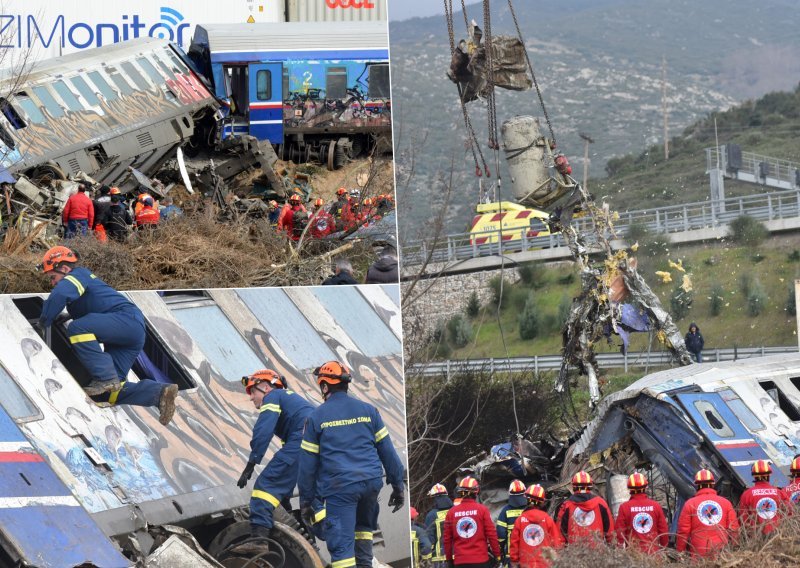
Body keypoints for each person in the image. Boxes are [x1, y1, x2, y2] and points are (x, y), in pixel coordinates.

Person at [36, 246, 178, 424]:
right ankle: (160, 393)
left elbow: (61, 293)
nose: (52, 283)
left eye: (53, 277)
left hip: (126, 321)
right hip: (130, 331)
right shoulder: (81, 283)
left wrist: (43, 322)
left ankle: (105, 377)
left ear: (64, 269)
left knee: (78, 329)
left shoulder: (77, 275)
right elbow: (97, 303)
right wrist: (69, 314)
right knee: (112, 391)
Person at [298, 361, 405, 568]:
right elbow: (388, 452)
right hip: (371, 483)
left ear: (325, 386)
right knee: (363, 537)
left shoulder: (316, 418)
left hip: (341, 488)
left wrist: (306, 501)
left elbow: (307, 467)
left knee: (342, 551)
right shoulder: (369, 411)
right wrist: (398, 486)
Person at [235, 369, 315, 551]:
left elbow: (263, 431)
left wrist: (251, 463)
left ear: (265, 387)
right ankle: (303, 541)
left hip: (303, 443)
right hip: (315, 448)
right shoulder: (293, 402)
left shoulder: (273, 397)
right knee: (282, 496)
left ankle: (259, 540)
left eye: (252, 391)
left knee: (265, 488)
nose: (251, 398)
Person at [676, 469, 739, 559]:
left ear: (697, 485)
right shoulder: (725, 502)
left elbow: (683, 532)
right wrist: (735, 547)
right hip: (721, 555)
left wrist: (680, 552)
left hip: (698, 555)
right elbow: (734, 528)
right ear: (713, 484)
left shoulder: (690, 504)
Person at [443, 476, 500, 567]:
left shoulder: (451, 512)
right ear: (476, 492)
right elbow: (491, 534)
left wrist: (449, 560)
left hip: (460, 562)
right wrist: (497, 555)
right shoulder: (482, 510)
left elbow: (447, 540)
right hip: (481, 561)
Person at [509, 484, 564, 568]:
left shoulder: (520, 520)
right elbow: (556, 542)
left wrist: (514, 561)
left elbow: (514, 543)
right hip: (545, 564)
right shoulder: (547, 519)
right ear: (542, 502)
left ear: (527, 499)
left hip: (525, 564)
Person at [556, 471, 614, 546]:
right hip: (598, 554)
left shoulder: (566, 506)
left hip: (574, 553)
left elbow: (559, 534)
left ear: (574, 486)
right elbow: (610, 531)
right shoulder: (601, 503)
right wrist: (612, 546)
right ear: (590, 486)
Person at [614, 472, 668, 553]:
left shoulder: (624, 507)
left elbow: (619, 533)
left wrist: (619, 551)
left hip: (634, 557)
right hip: (654, 556)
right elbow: (663, 531)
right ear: (645, 487)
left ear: (629, 489)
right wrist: (664, 549)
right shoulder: (656, 506)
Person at [738, 460, 787, 534]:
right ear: (769, 475)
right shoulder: (779, 492)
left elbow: (743, 519)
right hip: (777, 535)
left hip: (756, 536)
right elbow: (789, 512)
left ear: (754, 476)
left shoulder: (747, 494)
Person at [496, 479, 527, 566]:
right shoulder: (530, 509)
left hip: (511, 553)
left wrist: (501, 547)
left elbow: (501, 533)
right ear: (525, 493)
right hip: (529, 552)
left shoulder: (505, 510)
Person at [424, 483, 454, 568]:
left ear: (434, 498)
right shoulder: (456, 511)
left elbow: (429, 538)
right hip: (458, 555)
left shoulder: (431, 515)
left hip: (440, 557)